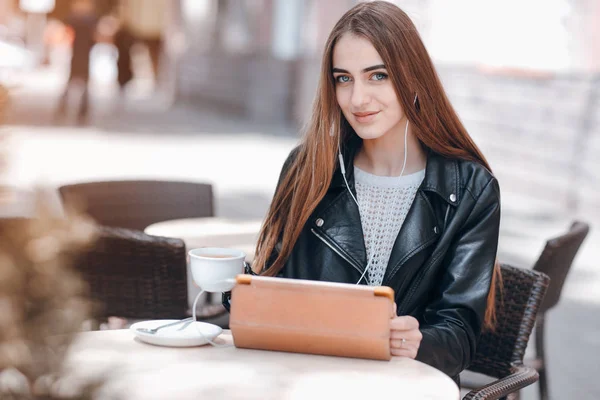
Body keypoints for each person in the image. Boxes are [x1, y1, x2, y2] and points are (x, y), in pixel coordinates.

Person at [225, 1, 501, 383]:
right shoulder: (307, 170)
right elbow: (273, 285)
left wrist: (418, 341)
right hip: (304, 379)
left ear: (413, 77)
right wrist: (234, 287)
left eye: (377, 76)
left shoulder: (470, 189)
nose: (357, 100)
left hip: (404, 385)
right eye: (343, 78)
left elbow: (459, 332)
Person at [55, 0, 98, 124]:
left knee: (80, 88)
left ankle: (80, 112)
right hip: (78, 57)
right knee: (72, 87)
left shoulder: (86, 21)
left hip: (82, 58)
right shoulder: (81, 20)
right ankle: (71, 111)